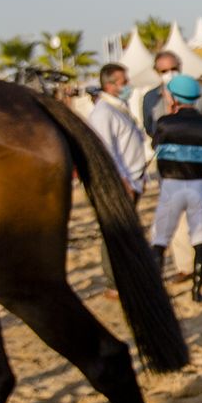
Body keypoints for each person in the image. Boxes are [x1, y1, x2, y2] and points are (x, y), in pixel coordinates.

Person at [149, 74, 202, 302]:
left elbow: (155, 144)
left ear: (174, 98)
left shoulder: (164, 123)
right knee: (200, 238)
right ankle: (197, 291)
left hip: (171, 187)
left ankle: (155, 292)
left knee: (160, 239)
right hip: (198, 186)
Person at [87, 63, 149, 300]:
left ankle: (126, 278)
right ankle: (114, 283)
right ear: (110, 84)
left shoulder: (117, 108)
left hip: (134, 179)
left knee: (127, 231)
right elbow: (106, 153)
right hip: (122, 184)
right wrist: (122, 183)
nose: (128, 86)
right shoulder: (103, 113)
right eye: (124, 82)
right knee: (115, 230)